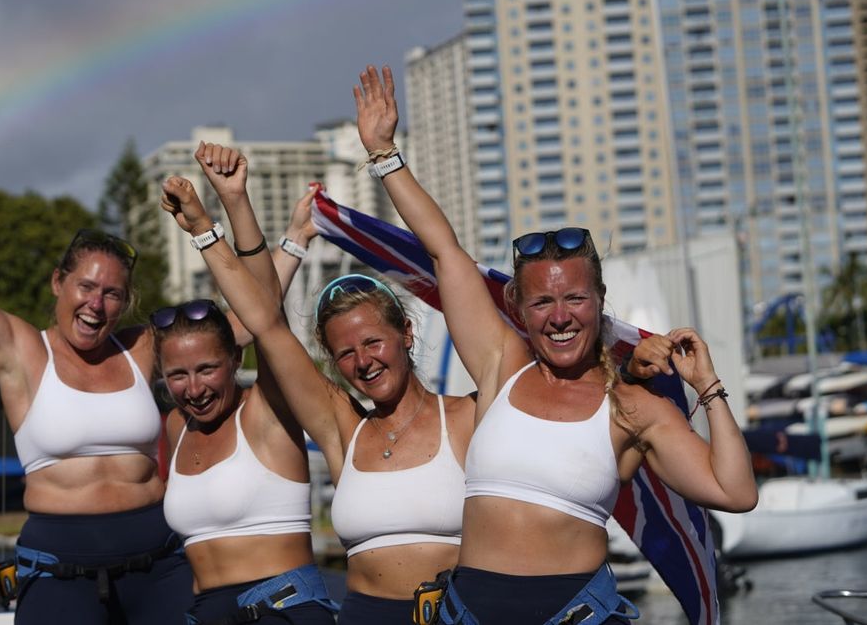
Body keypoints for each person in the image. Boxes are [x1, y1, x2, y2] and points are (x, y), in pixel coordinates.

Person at [352, 64, 757, 624]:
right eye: (542, 303)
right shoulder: (502, 367)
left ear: (600, 301)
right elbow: (445, 251)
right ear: (518, 308)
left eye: (575, 300)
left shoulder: (633, 408)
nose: (560, 318)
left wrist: (708, 386)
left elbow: (734, 491)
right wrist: (384, 154)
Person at [0, 79, 191, 624]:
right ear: (59, 283)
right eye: (85, 287)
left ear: (125, 302)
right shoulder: (19, 350)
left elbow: (243, 327)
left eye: (112, 294)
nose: (96, 304)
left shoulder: (141, 348)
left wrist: (248, 230)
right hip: (58, 571)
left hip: (160, 567)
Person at [161, 166, 475, 624]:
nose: (363, 361)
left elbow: (448, 258)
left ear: (407, 333)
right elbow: (266, 323)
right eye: (345, 353)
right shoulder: (341, 427)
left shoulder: (468, 416)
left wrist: (386, 158)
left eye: (373, 342)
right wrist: (207, 229)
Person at [157, 142, 338, 624]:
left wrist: (231, 203)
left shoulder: (267, 412)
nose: (193, 388)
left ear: (237, 358)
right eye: (177, 375)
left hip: (284, 608)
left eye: (207, 369)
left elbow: (266, 318)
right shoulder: (178, 429)